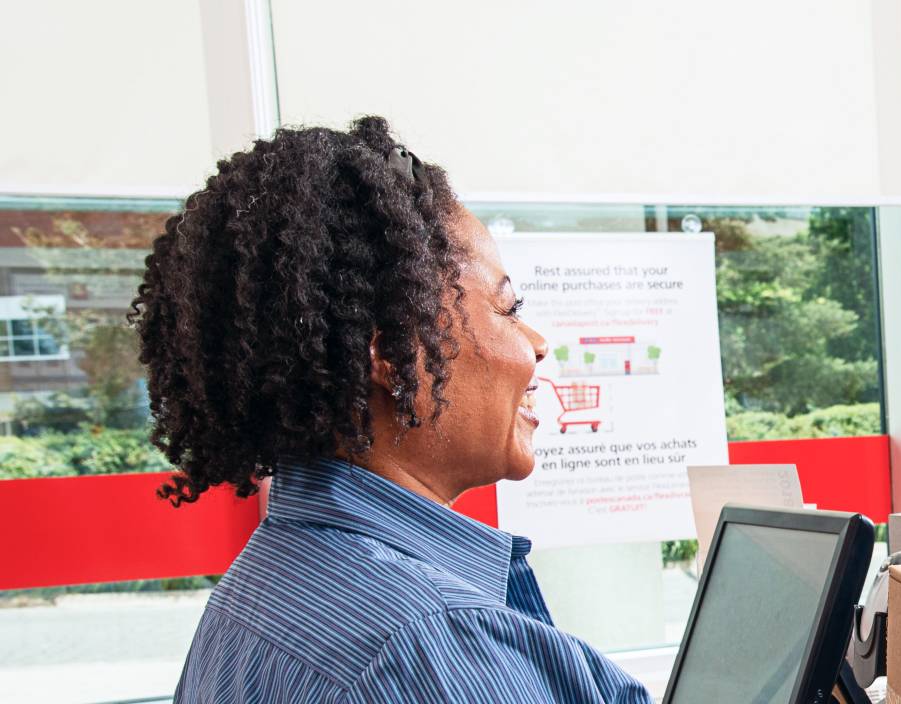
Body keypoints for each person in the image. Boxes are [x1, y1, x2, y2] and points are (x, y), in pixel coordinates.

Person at [136, 117, 650, 702]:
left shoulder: (261, 585)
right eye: (508, 309)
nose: (535, 342)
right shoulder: (433, 645)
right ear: (393, 350)